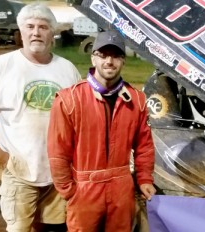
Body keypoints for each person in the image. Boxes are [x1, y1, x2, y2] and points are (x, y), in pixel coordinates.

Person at [47, 30, 156, 232]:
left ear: (123, 61)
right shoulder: (69, 99)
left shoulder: (137, 100)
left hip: (121, 187)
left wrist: (144, 179)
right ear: (93, 58)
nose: (109, 61)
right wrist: (69, 191)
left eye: (115, 56)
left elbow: (144, 146)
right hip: (84, 189)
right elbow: (58, 152)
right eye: (103, 55)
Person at [0, 3, 81, 232]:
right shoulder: (1, 67)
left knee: (51, 228)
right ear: (21, 31)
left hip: (58, 173)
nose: (36, 32)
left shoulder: (67, 69)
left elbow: (81, 117)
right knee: (19, 227)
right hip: (19, 169)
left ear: (52, 33)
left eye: (43, 27)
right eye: (30, 26)